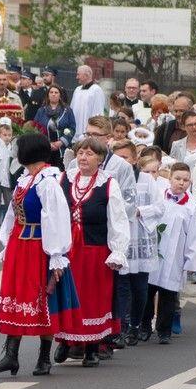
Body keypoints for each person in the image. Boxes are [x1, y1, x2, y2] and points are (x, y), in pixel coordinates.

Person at [0, 134, 73, 377]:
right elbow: (12, 216)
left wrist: (56, 254)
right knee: (16, 296)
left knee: (41, 299)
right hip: (19, 246)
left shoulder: (48, 181)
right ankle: (11, 355)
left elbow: (56, 219)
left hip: (39, 247)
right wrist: (7, 241)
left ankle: (44, 357)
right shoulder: (26, 179)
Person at [55, 137, 130, 367]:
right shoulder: (65, 179)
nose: (83, 158)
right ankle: (66, 341)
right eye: (80, 153)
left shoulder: (108, 184)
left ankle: (92, 348)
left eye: (89, 154)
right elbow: (55, 214)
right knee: (67, 296)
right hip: (68, 250)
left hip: (95, 251)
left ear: (99, 159)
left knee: (93, 299)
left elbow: (118, 220)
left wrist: (117, 251)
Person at [110, 140, 162, 347]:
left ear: (134, 159)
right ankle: (120, 326)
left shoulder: (146, 180)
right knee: (120, 286)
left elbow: (159, 207)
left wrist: (140, 211)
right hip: (120, 240)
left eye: (125, 157)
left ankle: (135, 325)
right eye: (118, 158)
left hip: (140, 238)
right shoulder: (111, 179)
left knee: (140, 287)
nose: (121, 162)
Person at [147, 163, 196, 344]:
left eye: (185, 180)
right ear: (170, 178)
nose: (181, 183)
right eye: (177, 179)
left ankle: (164, 330)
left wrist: (190, 261)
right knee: (148, 291)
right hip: (155, 252)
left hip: (175, 256)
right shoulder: (159, 198)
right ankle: (144, 326)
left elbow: (193, 236)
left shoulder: (191, 206)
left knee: (169, 294)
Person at [33, 84, 75, 169]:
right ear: (48, 95)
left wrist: (61, 142)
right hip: (45, 149)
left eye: (56, 92)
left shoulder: (67, 111)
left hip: (62, 150)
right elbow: (35, 128)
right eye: (51, 92)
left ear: (60, 95)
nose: (53, 94)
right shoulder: (41, 111)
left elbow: (72, 128)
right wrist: (47, 143)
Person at [70, 65, 106, 141]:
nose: (77, 77)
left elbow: (98, 113)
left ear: (86, 75)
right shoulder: (77, 89)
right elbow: (72, 110)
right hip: (75, 133)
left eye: (78, 74)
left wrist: (92, 132)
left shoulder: (96, 90)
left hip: (89, 134)